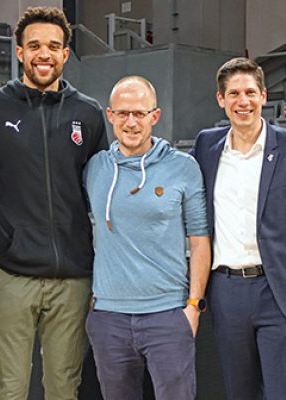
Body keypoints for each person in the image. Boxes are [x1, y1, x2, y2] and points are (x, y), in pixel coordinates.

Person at [0, 6, 108, 400]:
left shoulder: (87, 113)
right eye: (35, 45)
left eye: (54, 46)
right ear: (19, 51)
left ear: (65, 54)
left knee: (63, 388)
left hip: (72, 277)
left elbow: (105, 188)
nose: (45, 54)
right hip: (10, 274)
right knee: (9, 389)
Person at [190, 57, 286, 399]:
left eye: (250, 92)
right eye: (235, 93)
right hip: (226, 291)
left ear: (264, 95)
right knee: (239, 393)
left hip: (279, 293)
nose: (243, 101)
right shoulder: (205, 147)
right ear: (221, 99)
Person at [83, 76, 210, 400]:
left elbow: (199, 241)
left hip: (168, 315)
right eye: (123, 113)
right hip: (108, 318)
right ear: (110, 116)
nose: (131, 122)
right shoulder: (95, 168)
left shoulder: (183, 168)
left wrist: (193, 306)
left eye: (139, 113)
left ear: (155, 116)